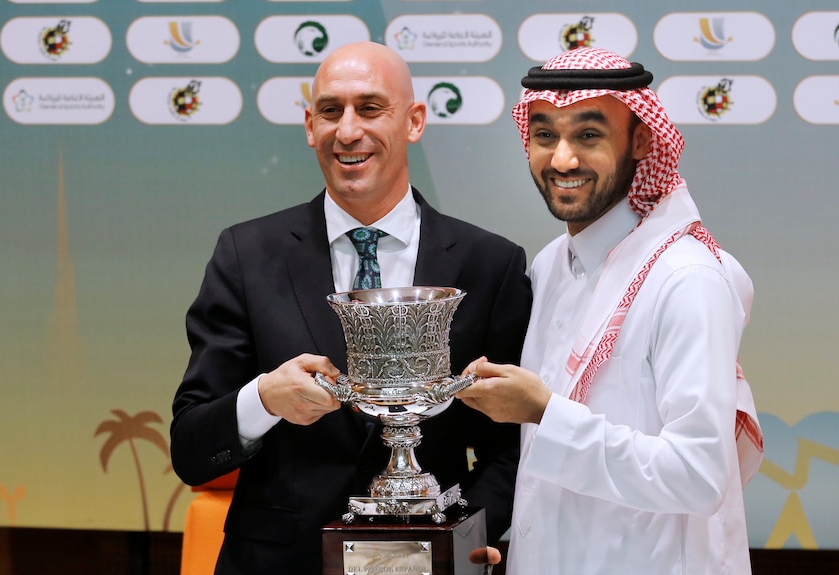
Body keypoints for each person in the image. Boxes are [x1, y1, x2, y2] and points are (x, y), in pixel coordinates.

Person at [169, 41, 532, 575]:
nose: (347, 131)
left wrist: (463, 534)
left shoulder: (489, 264)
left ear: (414, 122)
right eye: (330, 111)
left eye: (370, 108)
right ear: (309, 125)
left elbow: (513, 448)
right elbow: (191, 448)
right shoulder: (247, 255)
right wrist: (263, 400)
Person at [456, 47, 764, 574]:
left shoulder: (686, 278)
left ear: (643, 140)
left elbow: (699, 474)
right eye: (545, 135)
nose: (562, 159)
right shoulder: (553, 263)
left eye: (588, 135)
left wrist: (544, 413)